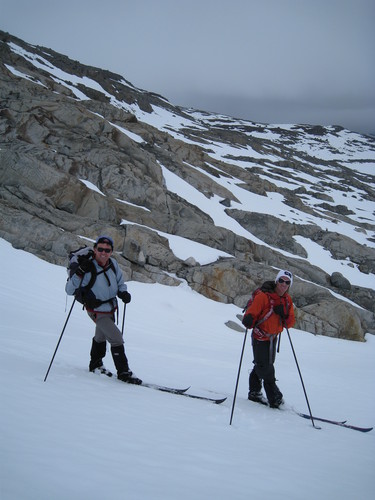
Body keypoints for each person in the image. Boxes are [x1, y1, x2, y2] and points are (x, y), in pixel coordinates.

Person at [65, 235, 142, 385]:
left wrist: (123, 292)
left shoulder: (112, 263)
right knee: (116, 338)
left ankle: (95, 364)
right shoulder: (87, 267)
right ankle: (124, 372)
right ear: (94, 250)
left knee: (101, 337)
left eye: (107, 250)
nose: (103, 252)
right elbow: (69, 290)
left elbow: (120, 281)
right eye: (100, 249)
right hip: (96, 310)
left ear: (112, 252)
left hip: (110, 308)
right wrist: (80, 272)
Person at [242, 270, 295, 408]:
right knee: (266, 368)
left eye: (287, 282)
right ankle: (275, 398)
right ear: (276, 281)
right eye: (281, 281)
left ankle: (254, 393)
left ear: (289, 285)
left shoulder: (287, 300)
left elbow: (290, 323)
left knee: (262, 365)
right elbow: (251, 313)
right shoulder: (263, 296)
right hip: (260, 337)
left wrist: (283, 315)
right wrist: (248, 319)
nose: (284, 284)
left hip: (273, 338)